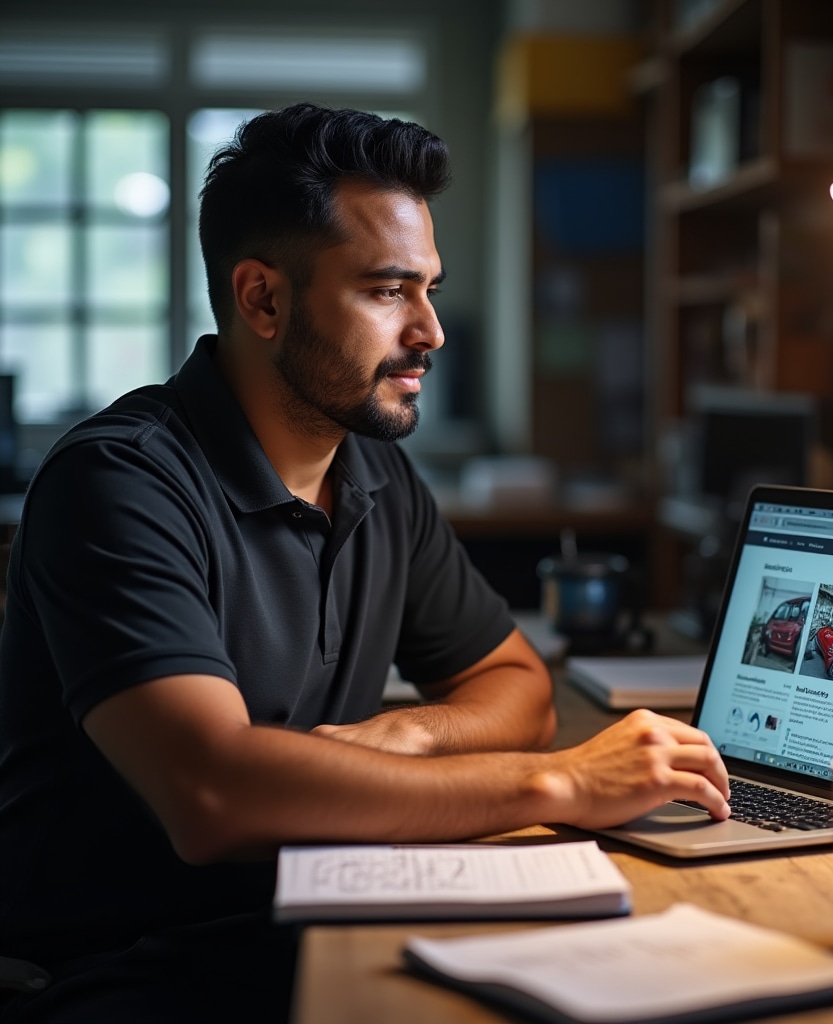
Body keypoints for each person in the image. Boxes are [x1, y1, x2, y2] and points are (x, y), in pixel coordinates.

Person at [0, 104, 730, 1023]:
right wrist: (565, 783)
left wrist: (407, 733)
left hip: (317, 917)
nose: (430, 330)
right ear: (263, 298)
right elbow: (214, 795)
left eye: (428, 288)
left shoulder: (374, 470)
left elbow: (518, 686)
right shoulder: (117, 485)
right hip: (122, 974)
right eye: (389, 291)